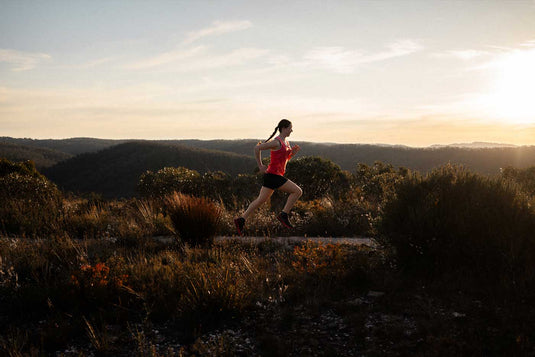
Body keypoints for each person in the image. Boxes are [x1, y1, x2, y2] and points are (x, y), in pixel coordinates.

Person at [234, 119, 302, 236]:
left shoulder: (286, 143)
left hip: (273, 176)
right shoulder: (277, 142)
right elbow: (257, 148)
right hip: (273, 176)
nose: (292, 130)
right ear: (284, 128)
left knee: (261, 200)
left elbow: (283, 159)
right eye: (290, 128)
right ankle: (283, 215)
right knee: (297, 191)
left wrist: (292, 153)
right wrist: (260, 165)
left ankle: (241, 220)